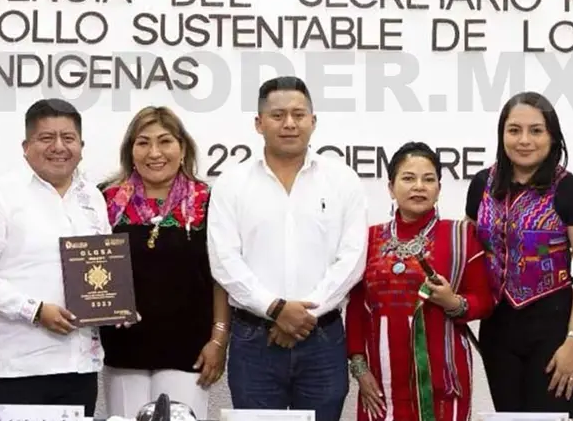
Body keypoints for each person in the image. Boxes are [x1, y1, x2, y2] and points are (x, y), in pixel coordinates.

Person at [207, 76, 369, 421]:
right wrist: (276, 308)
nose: (289, 124)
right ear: (259, 123)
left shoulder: (342, 180)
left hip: (322, 339)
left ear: (313, 121)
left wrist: (302, 316)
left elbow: (353, 258)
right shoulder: (232, 184)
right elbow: (223, 260)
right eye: (278, 115)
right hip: (254, 340)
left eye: (299, 114)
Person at [0, 98, 110, 416]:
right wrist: (34, 311)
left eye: (68, 137)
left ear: (81, 146)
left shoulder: (93, 198)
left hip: (81, 366)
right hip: (19, 366)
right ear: (26, 147)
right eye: (46, 137)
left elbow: (102, 267)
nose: (59, 147)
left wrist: (114, 306)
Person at [466, 92, 573, 417]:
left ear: (552, 136)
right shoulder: (482, 185)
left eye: (536, 130)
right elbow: (468, 255)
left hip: (556, 332)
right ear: (502, 134)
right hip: (498, 332)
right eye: (514, 130)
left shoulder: (572, 190)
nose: (524, 140)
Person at [345, 142, 495, 421]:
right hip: (382, 382)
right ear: (391, 188)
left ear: (439, 188)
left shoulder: (461, 236)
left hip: (444, 381)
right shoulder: (368, 238)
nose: (419, 187)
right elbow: (356, 309)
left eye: (428, 179)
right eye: (408, 178)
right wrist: (360, 369)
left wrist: (454, 303)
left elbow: (485, 301)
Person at [99, 106, 228, 420]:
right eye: (143, 142)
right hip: (123, 348)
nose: (154, 152)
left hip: (189, 350)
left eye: (165, 141)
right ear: (130, 151)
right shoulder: (106, 200)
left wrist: (219, 338)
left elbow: (222, 277)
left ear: (182, 149)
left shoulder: (208, 201)